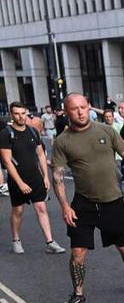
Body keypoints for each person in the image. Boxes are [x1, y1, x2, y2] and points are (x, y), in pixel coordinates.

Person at [51, 93, 124, 303]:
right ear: (66, 112)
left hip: (112, 202)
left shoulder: (106, 131)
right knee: (77, 253)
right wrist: (65, 206)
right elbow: (57, 176)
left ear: (88, 108)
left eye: (83, 107)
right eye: (74, 109)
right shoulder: (62, 141)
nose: (80, 112)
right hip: (83, 204)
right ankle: (78, 294)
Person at [0, 102, 65, 255]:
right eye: (17, 113)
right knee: (18, 210)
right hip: (17, 179)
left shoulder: (33, 132)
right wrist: (20, 183)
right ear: (11, 114)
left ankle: (50, 242)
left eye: (23, 113)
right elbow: (7, 161)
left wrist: (45, 177)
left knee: (41, 208)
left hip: (35, 177)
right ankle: (16, 240)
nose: (21, 116)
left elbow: (41, 154)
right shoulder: (6, 134)